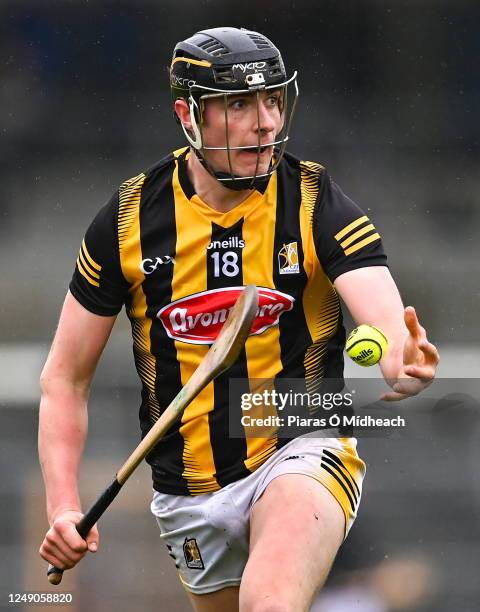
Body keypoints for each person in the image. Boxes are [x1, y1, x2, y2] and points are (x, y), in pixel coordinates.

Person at [38, 27, 439, 612]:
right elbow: (64, 380)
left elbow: (387, 325)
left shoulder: (313, 201)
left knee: (269, 604)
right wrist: (62, 507)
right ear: (188, 115)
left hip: (300, 449)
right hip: (186, 491)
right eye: (239, 105)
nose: (266, 122)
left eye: (272, 100)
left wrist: (403, 363)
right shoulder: (127, 220)